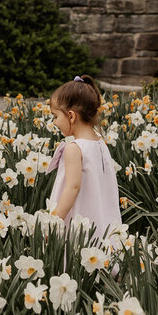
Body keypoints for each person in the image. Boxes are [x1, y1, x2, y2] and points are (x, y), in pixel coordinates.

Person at [44, 75, 121, 236]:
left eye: (56, 116)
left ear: (71, 116)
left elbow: (73, 187)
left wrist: (53, 223)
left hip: (79, 226)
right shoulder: (100, 144)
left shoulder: (74, 148)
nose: (55, 122)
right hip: (100, 223)